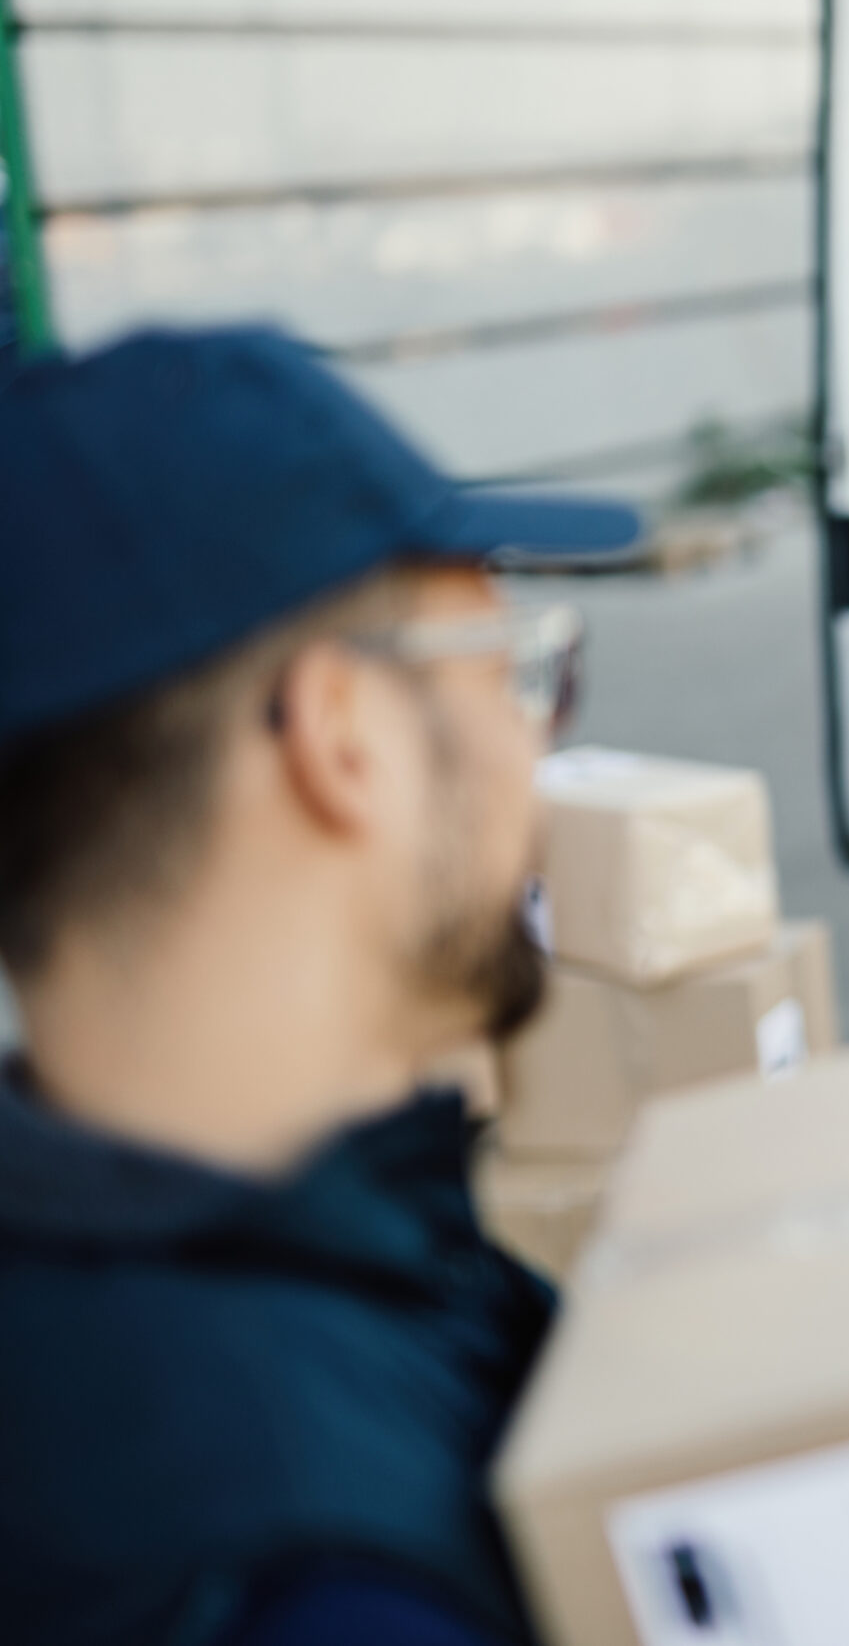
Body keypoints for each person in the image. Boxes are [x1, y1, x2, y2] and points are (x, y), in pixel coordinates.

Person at [0, 327, 639, 1645]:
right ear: (344, 736)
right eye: (513, 674)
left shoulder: (150, 1318)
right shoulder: (316, 1578)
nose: (533, 750)